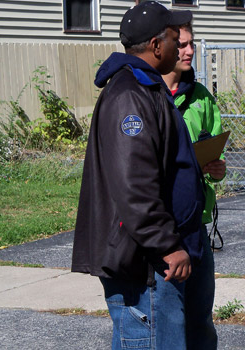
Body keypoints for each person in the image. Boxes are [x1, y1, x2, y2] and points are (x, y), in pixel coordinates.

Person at [71, 2, 210, 349]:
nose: (181, 46)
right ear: (156, 45)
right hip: (144, 263)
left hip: (159, 254)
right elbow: (135, 185)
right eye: (174, 39)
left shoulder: (147, 87)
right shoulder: (129, 95)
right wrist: (166, 244)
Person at [161, 20, 225, 350]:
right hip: (163, 229)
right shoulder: (148, 95)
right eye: (182, 44)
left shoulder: (202, 98)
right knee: (169, 319)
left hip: (197, 224)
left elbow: (217, 166)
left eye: (192, 44)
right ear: (163, 46)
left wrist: (217, 169)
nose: (188, 51)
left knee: (200, 318)